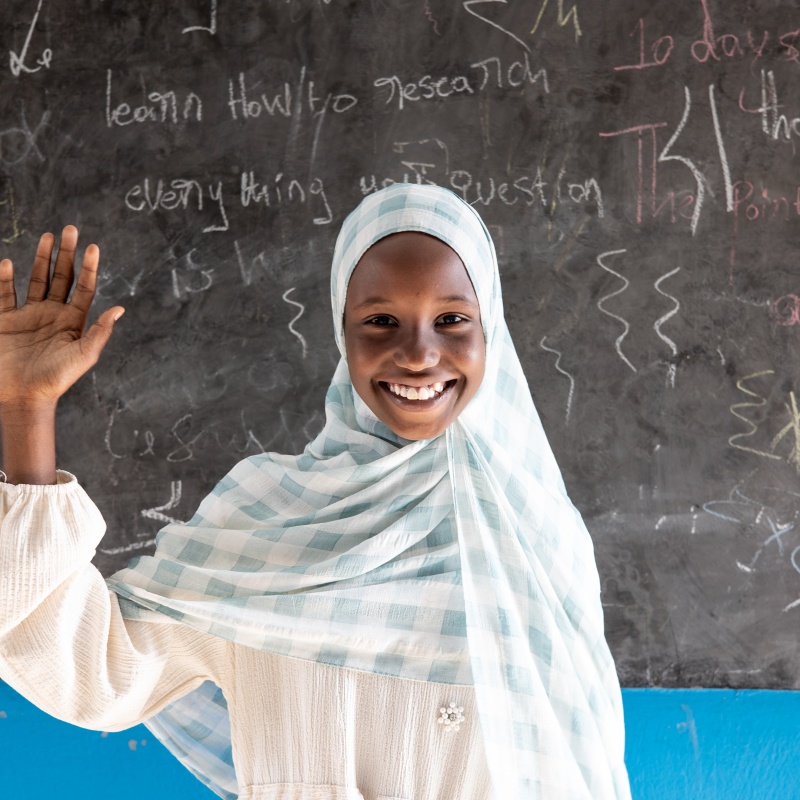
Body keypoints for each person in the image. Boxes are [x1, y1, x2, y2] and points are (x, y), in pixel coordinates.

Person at [0, 184, 631, 800]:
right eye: (380, 320)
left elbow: (578, 771)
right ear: (341, 332)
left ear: (489, 329)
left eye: (452, 320)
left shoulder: (531, 540)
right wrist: (27, 409)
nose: (419, 353)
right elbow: (95, 671)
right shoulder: (264, 523)